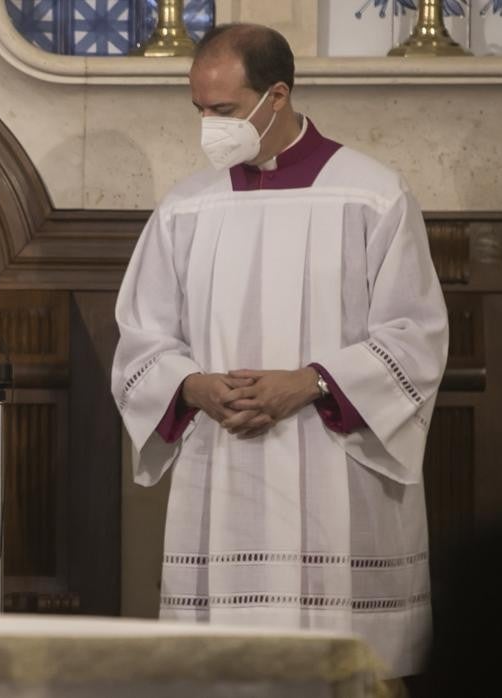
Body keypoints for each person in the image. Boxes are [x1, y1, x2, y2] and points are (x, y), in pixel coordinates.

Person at [112, 23, 448, 678]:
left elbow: (417, 335)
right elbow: (141, 337)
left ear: (277, 96)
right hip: (223, 466)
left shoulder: (371, 194)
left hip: (335, 470)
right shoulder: (187, 208)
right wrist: (190, 386)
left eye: (225, 111)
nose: (209, 126)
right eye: (200, 111)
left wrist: (313, 381)